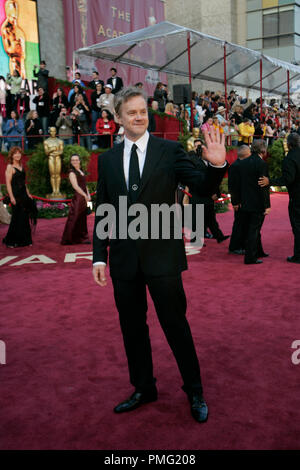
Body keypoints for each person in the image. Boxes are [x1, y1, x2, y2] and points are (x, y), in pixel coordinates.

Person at [92, 87, 228, 423]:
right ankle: (143, 387)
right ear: (119, 119)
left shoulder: (169, 151)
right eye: (132, 113)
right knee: (132, 328)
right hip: (124, 260)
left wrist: (216, 166)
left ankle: (194, 390)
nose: (139, 117)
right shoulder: (107, 160)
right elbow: (104, 210)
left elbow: (201, 187)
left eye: (143, 112)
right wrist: (98, 256)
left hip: (163, 258)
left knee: (175, 325)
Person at [259, 133, 300, 263]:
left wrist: (270, 181)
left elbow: (287, 179)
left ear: (288, 144)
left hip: (297, 197)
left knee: (298, 226)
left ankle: (298, 256)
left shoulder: (290, 158)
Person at [235, 139, 271, 264]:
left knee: (252, 228)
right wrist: (267, 205)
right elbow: (263, 185)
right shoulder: (262, 164)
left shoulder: (243, 163)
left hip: (245, 201)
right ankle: (250, 257)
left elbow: (238, 185)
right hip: (257, 202)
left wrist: (238, 200)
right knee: (254, 230)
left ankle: (258, 251)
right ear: (263, 150)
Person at [188, 139, 229, 244]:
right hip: (198, 196)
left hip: (209, 196)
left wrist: (217, 194)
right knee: (197, 219)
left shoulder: (210, 163)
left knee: (211, 218)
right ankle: (195, 239)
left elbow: (215, 181)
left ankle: (219, 236)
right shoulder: (196, 163)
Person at [2, 146, 37, 248]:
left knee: (25, 217)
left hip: (24, 195)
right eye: (15, 153)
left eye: (19, 153)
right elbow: (8, 183)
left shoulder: (21, 166)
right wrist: (11, 197)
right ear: (12, 155)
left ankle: (25, 240)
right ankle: (11, 241)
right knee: (16, 217)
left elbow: (23, 183)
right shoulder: (10, 167)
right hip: (16, 195)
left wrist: (28, 193)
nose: (17, 155)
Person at [61, 154, 91, 245]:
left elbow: (85, 185)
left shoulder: (81, 171)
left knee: (82, 218)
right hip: (78, 197)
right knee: (75, 217)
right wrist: (84, 195)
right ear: (71, 162)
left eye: (76, 160)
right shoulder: (71, 172)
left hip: (85, 197)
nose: (75, 161)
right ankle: (68, 239)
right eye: (73, 160)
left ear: (79, 161)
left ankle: (82, 238)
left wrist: (88, 195)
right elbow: (75, 186)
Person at [228, 145, 251, 254]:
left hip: (246, 199)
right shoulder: (235, 166)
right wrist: (235, 202)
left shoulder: (242, 165)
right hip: (239, 201)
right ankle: (234, 247)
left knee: (243, 223)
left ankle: (242, 244)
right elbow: (232, 186)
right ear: (246, 153)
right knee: (239, 223)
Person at [1, 0, 26, 78]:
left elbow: (23, 51)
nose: (14, 20)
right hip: (14, 60)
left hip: (21, 60)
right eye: (12, 17)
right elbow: (8, 50)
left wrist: (21, 49)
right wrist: (16, 46)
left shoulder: (18, 30)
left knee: (22, 77)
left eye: (15, 17)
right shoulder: (5, 29)